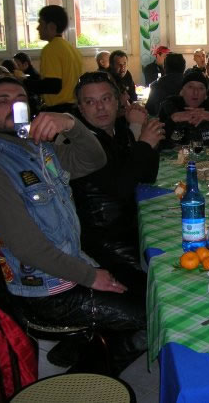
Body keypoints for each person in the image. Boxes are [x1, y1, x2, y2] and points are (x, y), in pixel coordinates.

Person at [0, 77, 146, 374]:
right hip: (47, 293)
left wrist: (71, 123)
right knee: (150, 317)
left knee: (150, 295)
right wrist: (90, 276)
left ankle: (86, 350)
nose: (13, 106)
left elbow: (93, 159)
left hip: (72, 267)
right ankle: (89, 379)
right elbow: (28, 249)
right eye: (2, 101)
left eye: (20, 99)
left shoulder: (39, 150)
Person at [70, 72, 164, 280]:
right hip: (106, 242)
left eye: (105, 99)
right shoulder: (80, 144)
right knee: (163, 275)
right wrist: (144, 143)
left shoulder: (118, 131)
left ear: (117, 101)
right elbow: (120, 189)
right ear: (81, 109)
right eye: (90, 102)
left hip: (131, 225)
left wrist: (149, 142)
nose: (100, 107)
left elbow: (147, 176)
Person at [25, 5, 83, 113]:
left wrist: (23, 82)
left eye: (41, 23)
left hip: (59, 110)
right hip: (74, 109)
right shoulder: (71, 49)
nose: (38, 28)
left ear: (51, 26)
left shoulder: (51, 49)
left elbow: (53, 86)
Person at [159, 71, 209, 148]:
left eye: (201, 88)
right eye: (190, 87)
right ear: (181, 92)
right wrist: (172, 120)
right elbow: (157, 146)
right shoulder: (169, 107)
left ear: (205, 96)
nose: (195, 92)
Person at [146, 52, 186, 117]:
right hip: (187, 120)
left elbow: (149, 109)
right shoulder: (190, 84)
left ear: (165, 68)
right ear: (184, 67)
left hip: (162, 121)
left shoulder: (156, 85)